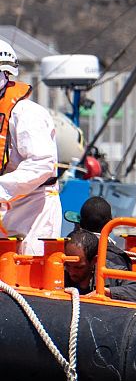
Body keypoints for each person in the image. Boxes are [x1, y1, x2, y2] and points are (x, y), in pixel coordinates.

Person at [0, 40, 60, 254]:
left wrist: (2, 187)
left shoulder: (27, 113)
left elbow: (42, 163)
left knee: (30, 267)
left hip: (35, 206)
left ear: (5, 73)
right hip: (6, 206)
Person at [62, 228, 136, 304]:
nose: (71, 272)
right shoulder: (58, 271)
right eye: (67, 265)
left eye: (78, 267)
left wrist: (107, 292)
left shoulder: (111, 272)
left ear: (95, 261)